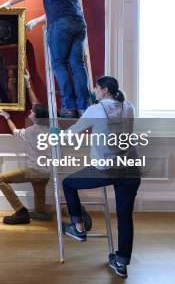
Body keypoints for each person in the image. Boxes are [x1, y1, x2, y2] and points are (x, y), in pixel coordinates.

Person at [59, 76, 141, 278]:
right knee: (125, 218)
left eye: (96, 88)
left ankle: (78, 228)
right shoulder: (129, 107)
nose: (94, 91)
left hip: (106, 169)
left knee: (68, 184)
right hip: (130, 169)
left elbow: (71, 134)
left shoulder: (95, 111)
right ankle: (121, 263)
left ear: (104, 90)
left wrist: (54, 133)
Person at [0, 0, 90, 118]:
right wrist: (36, 21)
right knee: (77, 65)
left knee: (59, 65)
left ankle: (69, 107)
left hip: (61, 26)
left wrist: (8, 4)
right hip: (78, 23)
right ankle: (83, 107)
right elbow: (60, 10)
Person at [0, 71, 51, 224]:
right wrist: (28, 84)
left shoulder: (32, 131)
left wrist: (7, 117)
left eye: (32, 113)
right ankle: (42, 213)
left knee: (0, 179)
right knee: (40, 208)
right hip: (46, 173)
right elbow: (36, 105)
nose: (30, 112)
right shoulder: (50, 127)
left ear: (36, 117)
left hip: (34, 171)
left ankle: (20, 211)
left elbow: (14, 131)